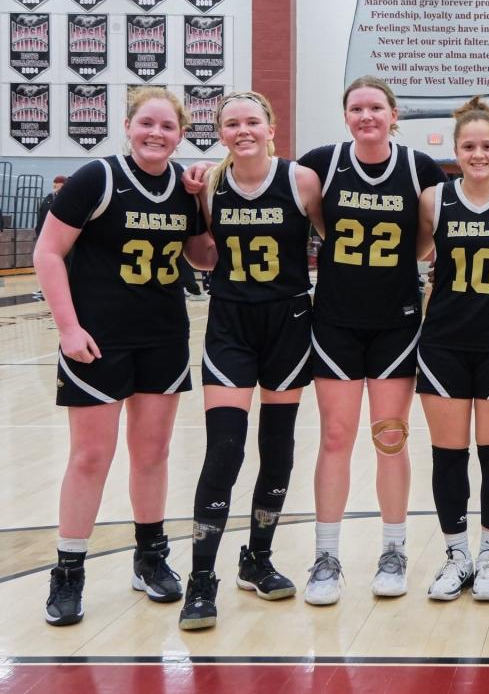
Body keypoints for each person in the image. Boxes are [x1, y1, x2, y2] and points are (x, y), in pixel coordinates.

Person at [33, 87, 212, 626]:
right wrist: (67, 327)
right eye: (147, 123)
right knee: (90, 457)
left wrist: (202, 201)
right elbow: (47, 251)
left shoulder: (183, 189)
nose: (157, 133)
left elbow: (205, 258)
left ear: (180, 134)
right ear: (128, 126)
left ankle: (149, 557)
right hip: (98, 339)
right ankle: (68, 572)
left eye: (167, 126)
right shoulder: (98, 178)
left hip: (162, 337)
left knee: (152, 454)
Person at [297, 77, 447, 605]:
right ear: (345, 116)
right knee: (335, 438)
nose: (367, 116)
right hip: (335, 321)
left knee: (390, 438)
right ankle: (327, 555)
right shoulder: (321, 163)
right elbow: (314, 218)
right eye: (357, 108)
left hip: (396, 324)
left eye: (376, 107)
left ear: (393, 113)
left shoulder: (419, 168)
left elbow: (426, 240)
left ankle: (393, 549)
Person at [178, 91, 324, 630]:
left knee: (278, 447)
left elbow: (338, 239)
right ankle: (200, 579)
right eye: (231, 123)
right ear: (220, 133)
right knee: (224, 450)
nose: (243, 130)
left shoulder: (301, 180)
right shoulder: (211, 184)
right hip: (231, 323)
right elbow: (203, 256)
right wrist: (195, 211)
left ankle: (257, 559)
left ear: (271, 127)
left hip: (288, 322)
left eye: (252, 121)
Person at [416, 97, 489, 602]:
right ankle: (457, 556)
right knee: (449, 456)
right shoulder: (433, 200)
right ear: (455, 150)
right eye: (469, 146)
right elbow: (419, 254)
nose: (479, 154)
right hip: (443, 341)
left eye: (488, 146)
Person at [32, 175, 66, 301]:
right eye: (54, 183)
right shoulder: (49, 198)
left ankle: (56, 291)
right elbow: (41, 215)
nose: (55, 185)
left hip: (59, 238)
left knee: (57, 265)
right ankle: (43, 290)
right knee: (43, 264)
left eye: (58, 183)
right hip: (43, 236)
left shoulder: (66, 198)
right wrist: (38, 231)